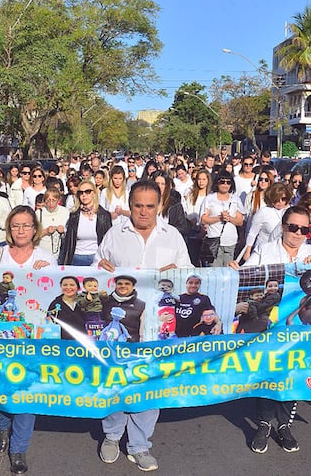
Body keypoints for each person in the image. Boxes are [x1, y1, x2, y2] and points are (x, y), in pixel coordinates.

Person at [94, 180, 193, 472]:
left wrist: (179, 271)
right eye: (138, 205)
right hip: (121, 327)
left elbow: (188, 274)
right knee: (115, 381)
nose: (144, 212)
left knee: (149, 385)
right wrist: (99, 266)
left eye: (150, 206)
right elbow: (97, 268)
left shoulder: (172, 236)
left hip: (157, 330)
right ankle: (112, 435)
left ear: (159, 205)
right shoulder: (115, 233)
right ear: (131, 203)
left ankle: (139, 444)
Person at [230, 206, 311, 454]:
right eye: (293, 227)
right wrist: (235, 272)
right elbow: (248, 274)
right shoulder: (266, 250)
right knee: (269, 371)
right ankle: (263, 423)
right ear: (283, 227)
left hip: (298, 325)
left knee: (291, 372)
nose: (298, 233)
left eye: (304, 229)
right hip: (269, 324)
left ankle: (284, 425)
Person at [0, 206, 55, 474]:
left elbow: (53, 295)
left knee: (26, 391)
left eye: (26, 225)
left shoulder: (46, 257)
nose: (21, 230)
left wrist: (49, 272)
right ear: (9, 229)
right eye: (15, 226)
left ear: (34, 229)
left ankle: (19, 448)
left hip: (31, 339)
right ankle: (0, 426)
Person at [58, 180, 112, 266]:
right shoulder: (74, 216)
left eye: (88, 192)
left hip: (97, 258)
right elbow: (68, 242)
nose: (84, 195)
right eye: (81, 192)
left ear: (94, 193)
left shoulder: (104, 215)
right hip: (77, 258)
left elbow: (109, 241)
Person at [199, 171, 245, 267]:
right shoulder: (209, 199)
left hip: (230, 241)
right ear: (217, 183)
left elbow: (240, 221)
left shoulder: (235, 199)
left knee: (229, 272)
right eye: (222, 182)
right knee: (215, 273)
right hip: (214, 241)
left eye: (228, 182)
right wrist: (219, 218)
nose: (225, 184)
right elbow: (203, 219)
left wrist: (229, 218)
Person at [242, 182, 293, 263]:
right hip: (262, 251)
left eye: (283, 199)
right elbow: (252, 233)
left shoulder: (290, 211)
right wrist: (247, 252)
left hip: (281, 253)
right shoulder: (263, 211)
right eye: (277, 199)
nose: (280, 202)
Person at [150, 170, 190, 238]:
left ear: (167, 186)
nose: (159, 187)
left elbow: (183, 228)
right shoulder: (146, 203)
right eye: (157, 183)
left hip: (169, 241)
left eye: (163, 184)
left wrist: (167, 231)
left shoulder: (175, 205)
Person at [47, 276, 86, 340]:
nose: (68, 287)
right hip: (62, 343)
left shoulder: (85, 301)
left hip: (85, 342)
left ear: (78, 287)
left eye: (72, 285)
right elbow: (49, 323)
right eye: (65, 285)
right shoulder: (55, 304)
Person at [37, 188, 69, 258]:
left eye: (53, 200)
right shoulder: (39, 213)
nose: (51, 203)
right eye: (48, 200)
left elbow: (70, 235)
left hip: (60, 253)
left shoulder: (65, 212)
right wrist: (46, 231)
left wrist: (63, 231)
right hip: (43, 252)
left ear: (58, 200)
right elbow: (33, 236)